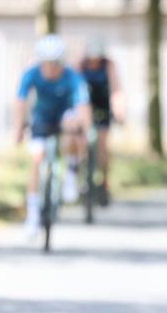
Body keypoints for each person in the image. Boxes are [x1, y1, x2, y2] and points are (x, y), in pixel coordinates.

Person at [15, 34, 92, 237]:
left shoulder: (73, 77)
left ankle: (70, 174)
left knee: (71, 125)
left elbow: (83, 107)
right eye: (46, 64)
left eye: (55, 64)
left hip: (65, 115)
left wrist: (84, 131)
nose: (50, 68)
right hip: (41, 117)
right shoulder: (31, 74)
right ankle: (32, 216)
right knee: (37, 158)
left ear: (61, 62)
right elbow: (21, 102)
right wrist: (18, 129)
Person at [79, 37, 126, 205]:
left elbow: (116, 89)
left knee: (102, 148)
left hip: (103, 108)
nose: (94, 62)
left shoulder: (108, 66)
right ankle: (82, 177)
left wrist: (119, 112)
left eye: (97, 59)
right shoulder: (80, 66)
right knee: (82, 143)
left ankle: (104, 183)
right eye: (92, 59)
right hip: (85, 108)